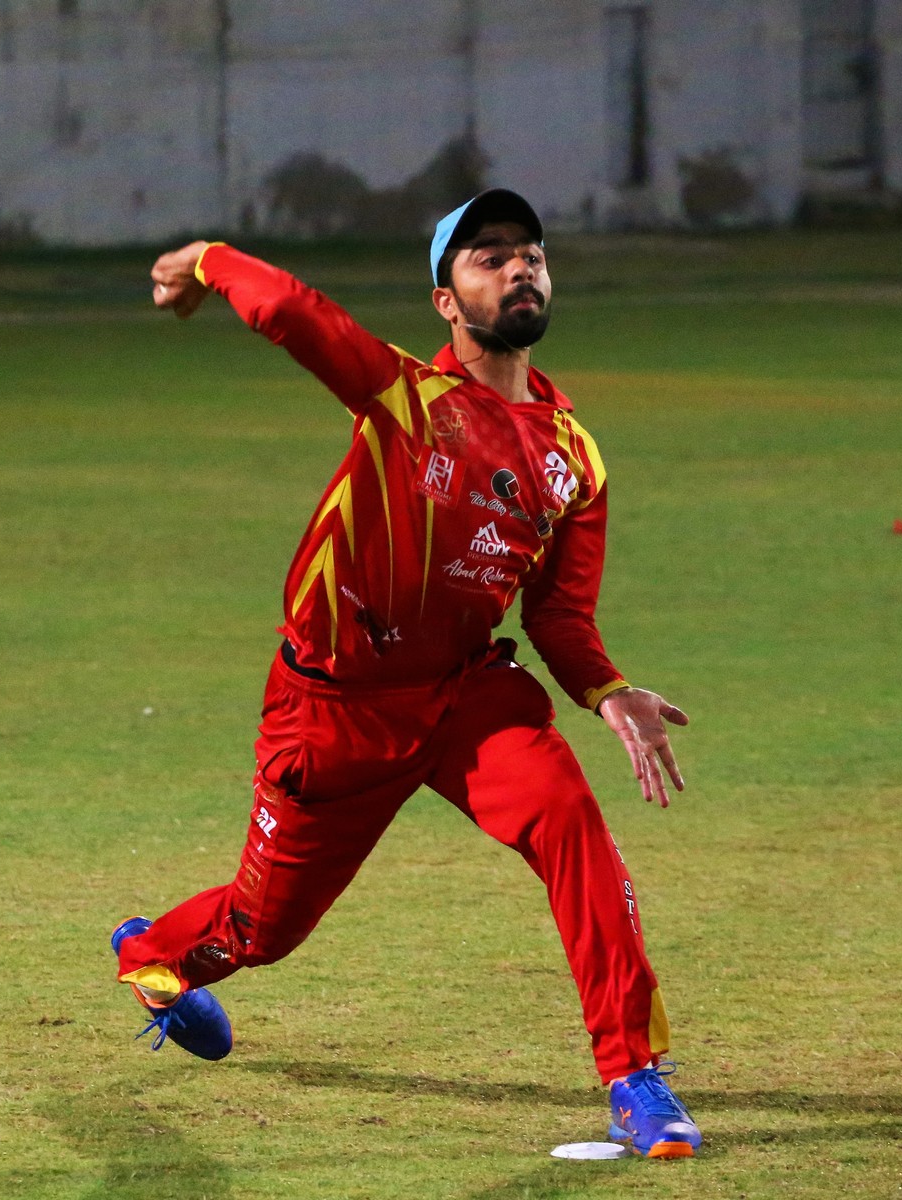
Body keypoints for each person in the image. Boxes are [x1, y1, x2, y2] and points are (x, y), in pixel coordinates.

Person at [109, 189, 702, 1158]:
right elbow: (292, 311)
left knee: (569, 821)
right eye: (487, 256)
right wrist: (205, 257)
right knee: (262, 931)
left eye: (530, 253)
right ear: (445, 302)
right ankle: (155, 954)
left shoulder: (574, 457)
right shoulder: (408, 397)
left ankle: (633, 1075)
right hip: (332, 709)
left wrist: (606, 689)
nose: (518, 267)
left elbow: (557, 616)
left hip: (465, 695)